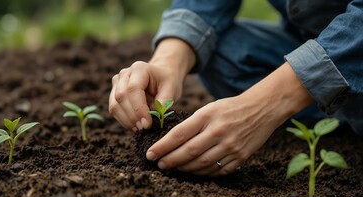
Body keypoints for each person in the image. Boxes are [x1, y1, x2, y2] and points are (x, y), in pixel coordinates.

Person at [108, 0, 363, 177]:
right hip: (308, 41)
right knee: (224, 52)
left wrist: (262, 105)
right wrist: (168, 61)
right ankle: (340, 107)